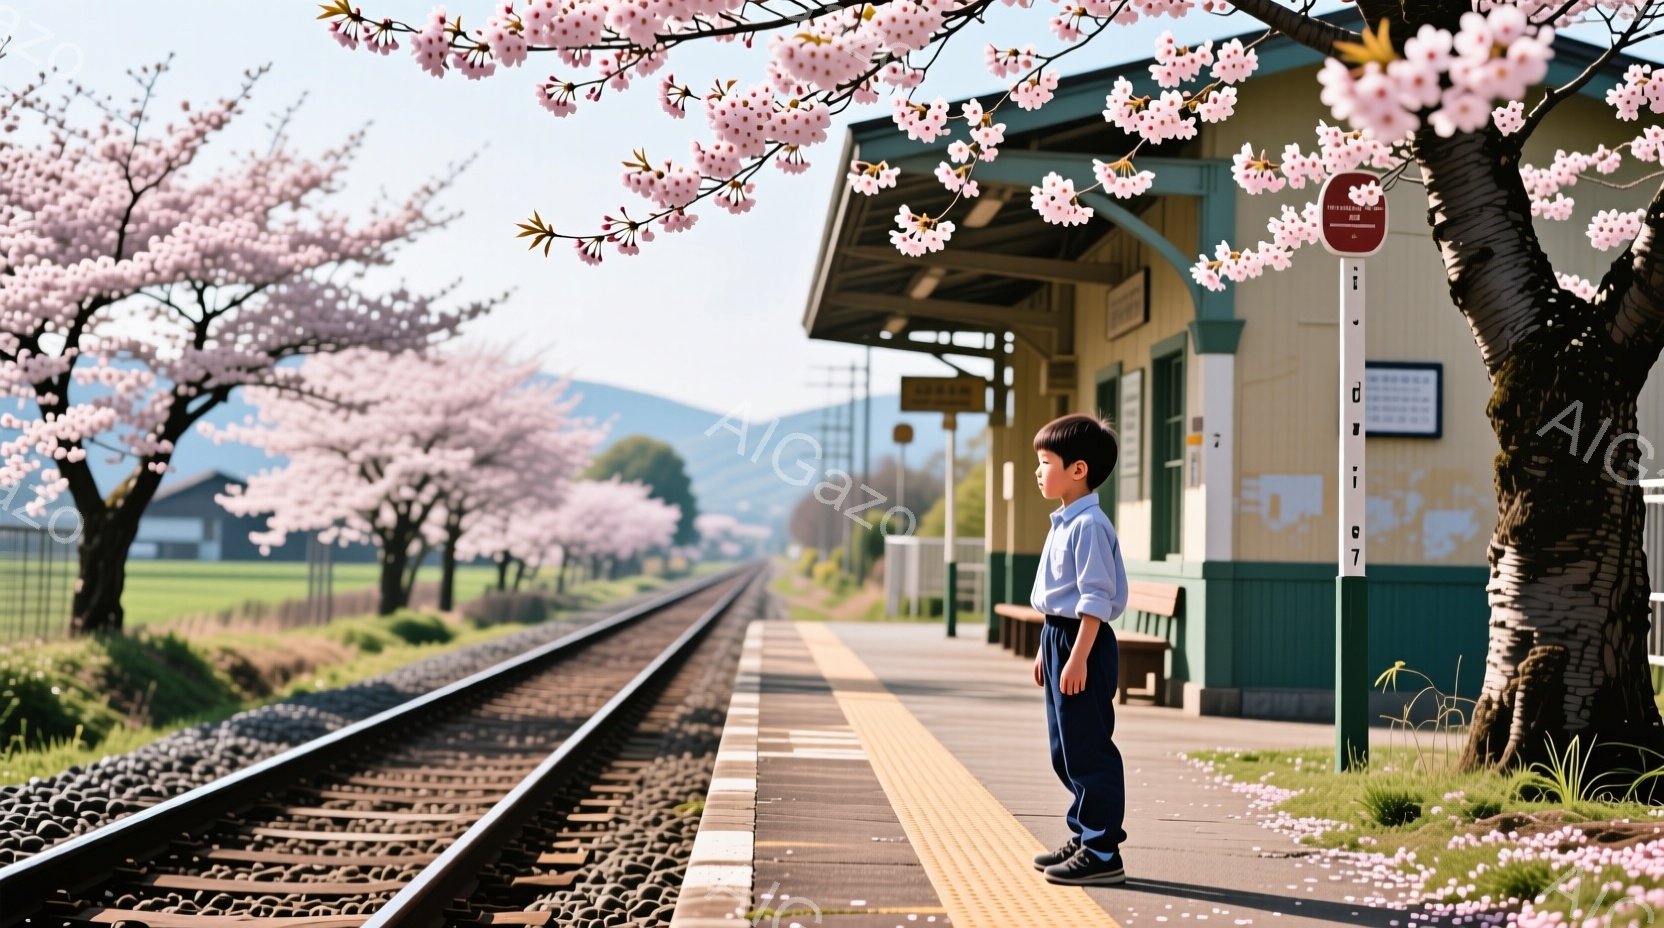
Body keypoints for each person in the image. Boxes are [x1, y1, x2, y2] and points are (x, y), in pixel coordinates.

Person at [1027, 413, 1131, 886]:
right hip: (1060, 637)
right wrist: (1045, 651)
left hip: (1080, 641)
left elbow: (1094, 600)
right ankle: (1085, 833)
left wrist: (1076, 657)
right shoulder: (1065, 521)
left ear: (1078, 469)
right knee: (1064, 749)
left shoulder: (1089, 525)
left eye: (1045, 461)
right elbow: (1059, 599)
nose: (1038, 470)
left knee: (1088, 748)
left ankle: (1103, 849)